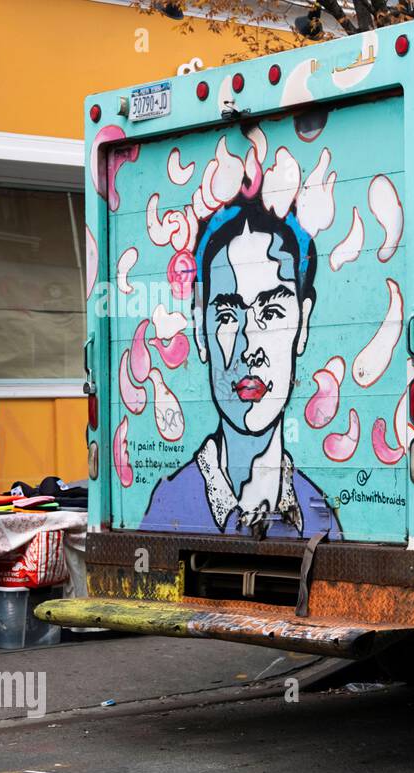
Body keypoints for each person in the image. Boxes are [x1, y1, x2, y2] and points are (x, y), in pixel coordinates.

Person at [141, 196, 337, 537]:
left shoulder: (319, 514)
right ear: (201, 330)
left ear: (303, 326)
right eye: (228, 316)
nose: (250, 348)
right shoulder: (167, 506)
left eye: (271, 313)